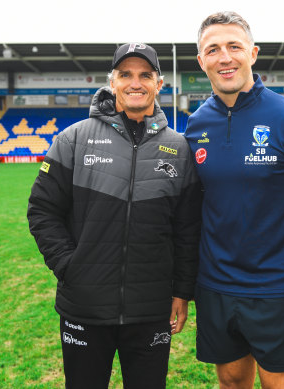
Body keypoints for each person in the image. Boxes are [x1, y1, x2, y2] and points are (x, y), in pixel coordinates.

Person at [27, 43, 202, 389]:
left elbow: (187, 229)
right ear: (112, 82)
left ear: (159, 84)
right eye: (126, 75)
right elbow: (42, 210)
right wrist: (69, 265)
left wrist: (182, 291)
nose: (135, 83)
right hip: (84, 306)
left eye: (144, 75)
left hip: (151, 310)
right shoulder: (73, 139)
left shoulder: (180, 149)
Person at [184, 12, 284, 389]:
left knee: (280, 383)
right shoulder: (196, 124)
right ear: (201, 61)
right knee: (232, 382)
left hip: (276, 289)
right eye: (213, 49)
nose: (225, 57)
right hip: (215, 286)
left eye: (234, 47)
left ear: (253, 53)